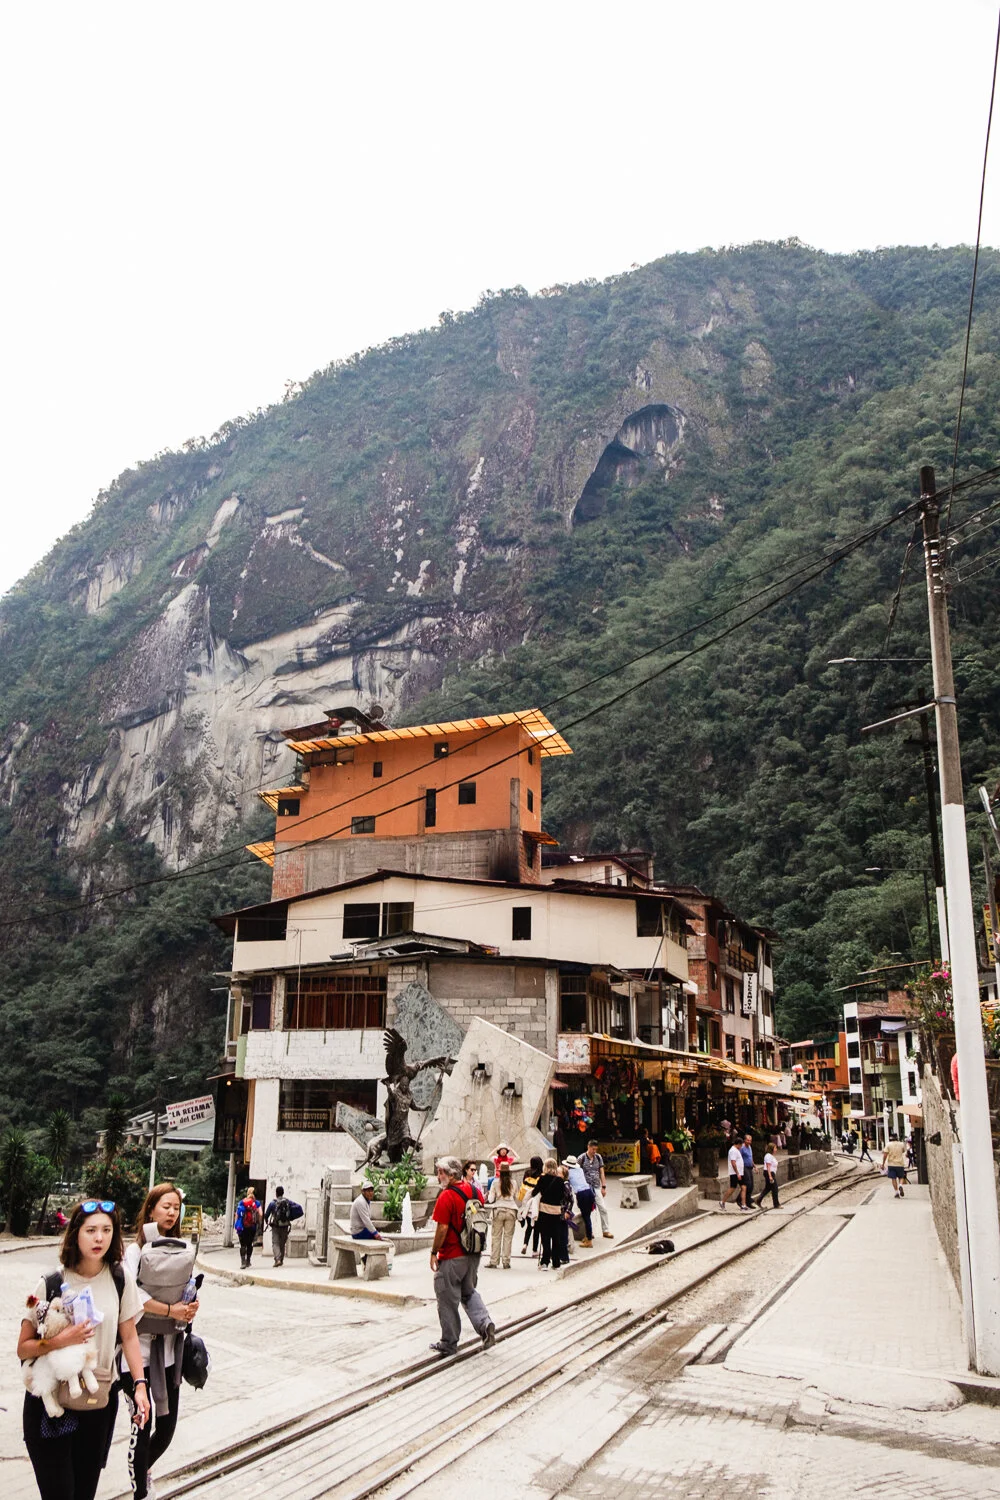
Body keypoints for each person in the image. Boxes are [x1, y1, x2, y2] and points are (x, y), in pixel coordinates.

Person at [19, 1199, 150, 1500]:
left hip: (97, 1403)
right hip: (50, 1408)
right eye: (91, 1230)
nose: (99, 1238)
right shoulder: (52, 1283)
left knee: (84, 1494)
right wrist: (60, 1341)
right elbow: (23, 1348)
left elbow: (129, 1336)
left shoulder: (120, 1279)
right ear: (76, 1233)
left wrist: (140, 1386)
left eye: (106, 1230)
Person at [123, 1183, 199, 1500]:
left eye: (175, 1207)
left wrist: (190, 1308)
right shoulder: (134, 1251)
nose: (171, 1212)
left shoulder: (182, 1248)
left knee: (166, 1431)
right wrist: (170, 1309)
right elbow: (132, 1297)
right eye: (165, 1206)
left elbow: (187, 1292)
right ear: (151, 1208)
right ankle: (140, 1489)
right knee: (143, 1424)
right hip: (136, 1353)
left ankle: (141, 1468)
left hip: (169, 1353)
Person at [429, 1156, 495, 1356]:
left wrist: (434, 1252)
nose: (438, 1176)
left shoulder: (446, 1196)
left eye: (441, 1172)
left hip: (452, 1255)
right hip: (473, 1254)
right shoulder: (476, 1191)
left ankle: (449, 1342)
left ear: (451, 1174)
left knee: (447, 1298)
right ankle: (485, 1324)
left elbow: (442, 1228)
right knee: (468, 1292)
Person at [531, 1158, 568, 1269]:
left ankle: (545, 1261)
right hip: (556, 1212)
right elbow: (563, 1196)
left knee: (545, 1237)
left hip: (544, 1211)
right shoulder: (560, 1181)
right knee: (556, 1237)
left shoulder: (542, 1179)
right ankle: (556, 1262)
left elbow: (534, 1192)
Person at [487, 1163, 519, 1268]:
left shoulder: (495, 1182)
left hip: (498, 1211)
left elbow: (491, 1200)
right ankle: (506, 1262)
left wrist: (489, 1194)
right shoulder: (513, 1183)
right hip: (511, 1211)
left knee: (496, 1237)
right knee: (508, 1237)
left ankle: (494, 1261)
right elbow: (517, 1197)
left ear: (499, 1172)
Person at [580, 1141, 612, 1239]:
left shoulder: (598, 1157)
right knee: (588, 1211)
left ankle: (605, 1230)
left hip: (597, 1186)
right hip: (586, 1187)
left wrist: (604, 1186)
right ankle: (590, 1231)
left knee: (603, 1208)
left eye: (595, 1149)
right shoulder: (581, 1158)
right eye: (593, 1149)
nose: (594, 1151)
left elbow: (601, 1172)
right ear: (588, 1147)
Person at [564, 1156, 595, 1246]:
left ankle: (589, 1240)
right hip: (589, 1192)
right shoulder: (580, 1170)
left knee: (586, 1217)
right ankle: (588, 1235)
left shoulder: (568, 1173)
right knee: (587, 1216)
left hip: (582, 1194)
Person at [518, 1156, 543, 1256]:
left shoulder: (527, 1173)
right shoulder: (541, 1175)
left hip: (527, 1203)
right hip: (536, 1204)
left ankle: (525, 1244)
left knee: (529, 1227)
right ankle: (534, 1250)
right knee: (536, 1228)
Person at [263, 1186, 293, 1267]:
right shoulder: (287, 1202)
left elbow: (266, 1214)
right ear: (283, 1193)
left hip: (276, 1226)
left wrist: (266, 1221)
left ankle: (278, 1259)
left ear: (276, 1193)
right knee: (282, 1243)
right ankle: (281, 1260)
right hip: (285, 1225)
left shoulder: (273, 1203)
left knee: (275, 1243)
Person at [234, 1188, 260, 1268]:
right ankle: (248, 1261)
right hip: (252, 1226)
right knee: (249, 1244)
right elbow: (261, 1214)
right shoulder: (256, 1203)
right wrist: (258, 1222)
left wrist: (236, 1224)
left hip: (242, 1226)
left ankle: (243, 1262)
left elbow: (237, 1215)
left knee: (242, 1245)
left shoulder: (242, 1202)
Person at [720, 1138, 745, 1210]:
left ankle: (743, 1205)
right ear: (739, 1144)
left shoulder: (736, 1150)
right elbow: (733, 1163)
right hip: (735, 1173)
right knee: (732, 1188)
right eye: (741, 1145)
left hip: (739, 1172)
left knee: (743, 1187)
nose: (741, 1147)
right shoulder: (733, 1151)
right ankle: (723, 1201)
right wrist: (737, 1173)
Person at [756, 1142, 780, 1210]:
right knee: (775, 1188)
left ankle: (758, 1200)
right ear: (771, 1148)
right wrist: (770, 1176)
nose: (776, 1149)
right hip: (769, 1173)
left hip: (770, 1173)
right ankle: (776, 1204)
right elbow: (768, 1166)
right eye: (775, 1148)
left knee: (768, 1188)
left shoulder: (771, 1156)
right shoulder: (768, 1156)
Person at [882, 1133, 908, 1198]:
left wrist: (883, 1164)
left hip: (891, 1164)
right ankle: (900, 1185)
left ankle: (896, 1192)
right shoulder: (901, 1144)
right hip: (900, 1164)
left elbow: (885, 1155)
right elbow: (903, 1151)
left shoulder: (888, 1145)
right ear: (897, 1137)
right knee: (901, 1177)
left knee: (893, 1178)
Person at [739, 1134, 755, 1210]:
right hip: (744, 1167)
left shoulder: (750, 1147)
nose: (749, 1142)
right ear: (744, 1140)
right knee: (747, 1184)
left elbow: (750, 1157)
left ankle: (748, 1200)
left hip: (750, 1167)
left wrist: (754, 1166)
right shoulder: (742, 1148)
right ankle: (740, 1199)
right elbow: (739, 1157)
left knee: (751, 1185)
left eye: (750, 1140)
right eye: (748, 1140)